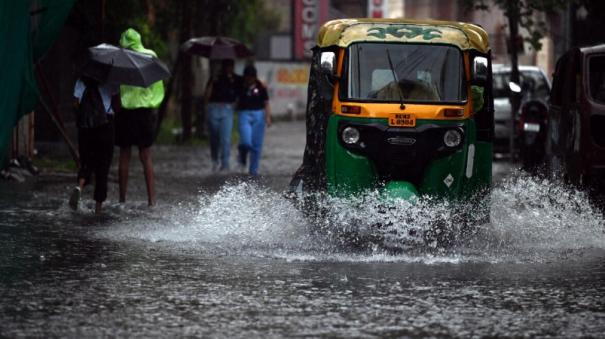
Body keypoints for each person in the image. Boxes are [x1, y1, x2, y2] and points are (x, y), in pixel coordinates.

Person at [115, 28, 164, 206]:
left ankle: (122, 200)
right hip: (145, 112)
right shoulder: (150, 55)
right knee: (146, 155)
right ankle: (152, 200)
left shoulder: (120, 58)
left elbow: (115, 86)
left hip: (125, 112)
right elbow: (157, 86)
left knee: (124, 154)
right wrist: (154, 104)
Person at [69, 75, 118, 214]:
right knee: (103, 167)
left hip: (85, 126)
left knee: (86, 161)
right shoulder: (111, 78)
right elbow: (117, 103)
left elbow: (75, 103)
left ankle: (80, 185)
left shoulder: (81, 79)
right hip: (106, 125)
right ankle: (98, 208)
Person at [204, 59, 241, 171]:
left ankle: (225, 163)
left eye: (231, 66)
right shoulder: (215, 77)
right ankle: (215, 160)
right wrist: (212, 81)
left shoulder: (236, 79)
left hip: (227, 108)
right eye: (227, 66)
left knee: (225, 138)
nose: (229, 68)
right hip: (213, 107)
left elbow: (241, 92)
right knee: (214, 137)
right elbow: (207, 94)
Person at [236, 65, 272, 176]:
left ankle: (253, 171)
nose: (249, 79)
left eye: (251, 77)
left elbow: (266, 103)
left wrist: (268, 117)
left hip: (258, 115)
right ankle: (242, 154)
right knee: (246, 142)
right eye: (247, 77)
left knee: (256, 145)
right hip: (244, 114)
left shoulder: (261, 87)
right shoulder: (240, 85)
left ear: (254, 77)